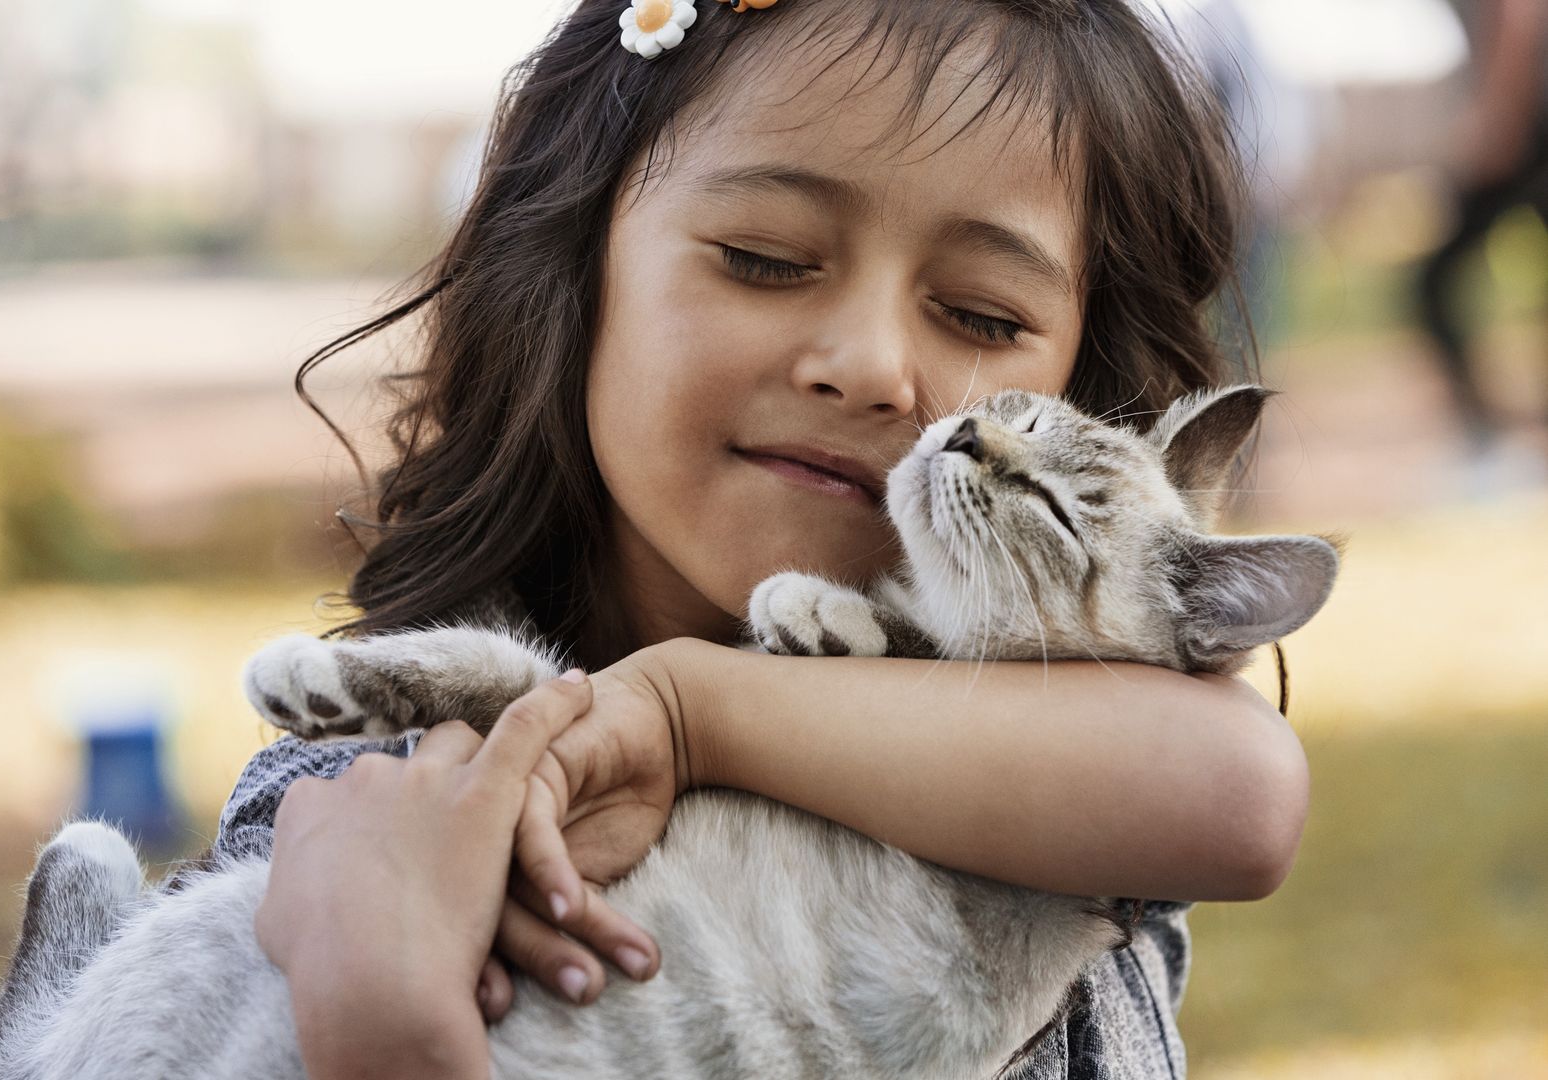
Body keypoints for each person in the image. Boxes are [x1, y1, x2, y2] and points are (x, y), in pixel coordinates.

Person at [222, 2, 1311, 1077]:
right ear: (567, 259)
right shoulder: (365, 803)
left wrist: (689, 714)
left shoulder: (1077, 785)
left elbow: (1244, 793)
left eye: (982, 316)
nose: (872, 366)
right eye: (765, 257)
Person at [1416, 0, 1548, 456]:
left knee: (1435, 282)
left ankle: (1485, 433)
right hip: (1526, 125)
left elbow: (1517, 14)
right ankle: (1488, 427)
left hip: (1528, 131)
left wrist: (1498, 120)